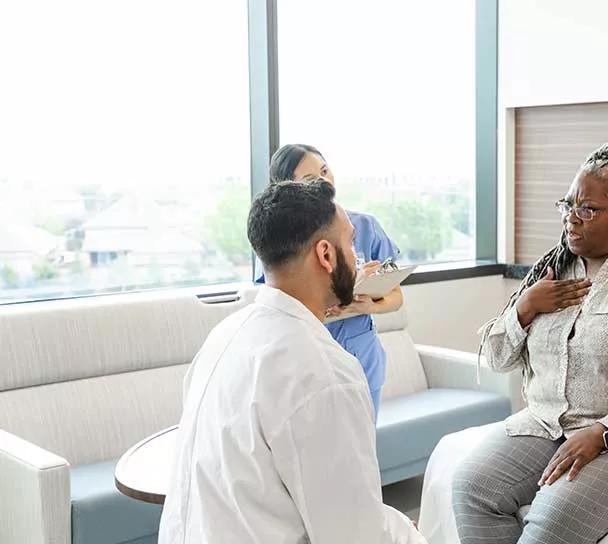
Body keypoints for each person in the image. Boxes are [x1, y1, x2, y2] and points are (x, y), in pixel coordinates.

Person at [451, 143, 608, 544]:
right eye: (567, 205)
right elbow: (497, 358)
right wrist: (525, 306)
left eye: (586, 209)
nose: (571, 218)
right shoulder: (551, 272)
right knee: (472, 487)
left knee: (552, 519)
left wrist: (605, 432)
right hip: (548, 424)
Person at [159, 179, 425, 544]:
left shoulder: (223, 337)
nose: (358, 258)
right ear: (326, 255)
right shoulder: (324, 372)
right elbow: (355, 536)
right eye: (351, 243)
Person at [265, 143, 403, 418]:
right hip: (309, 361)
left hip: (362, 356)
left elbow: (396, 297)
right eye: (310, 179)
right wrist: (342, 297)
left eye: (325, 170)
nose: (324, 181)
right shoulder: (283, 243)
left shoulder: (363, 227)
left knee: (363, 453)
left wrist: (367, 306)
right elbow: (281, 309)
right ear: (287, 189)